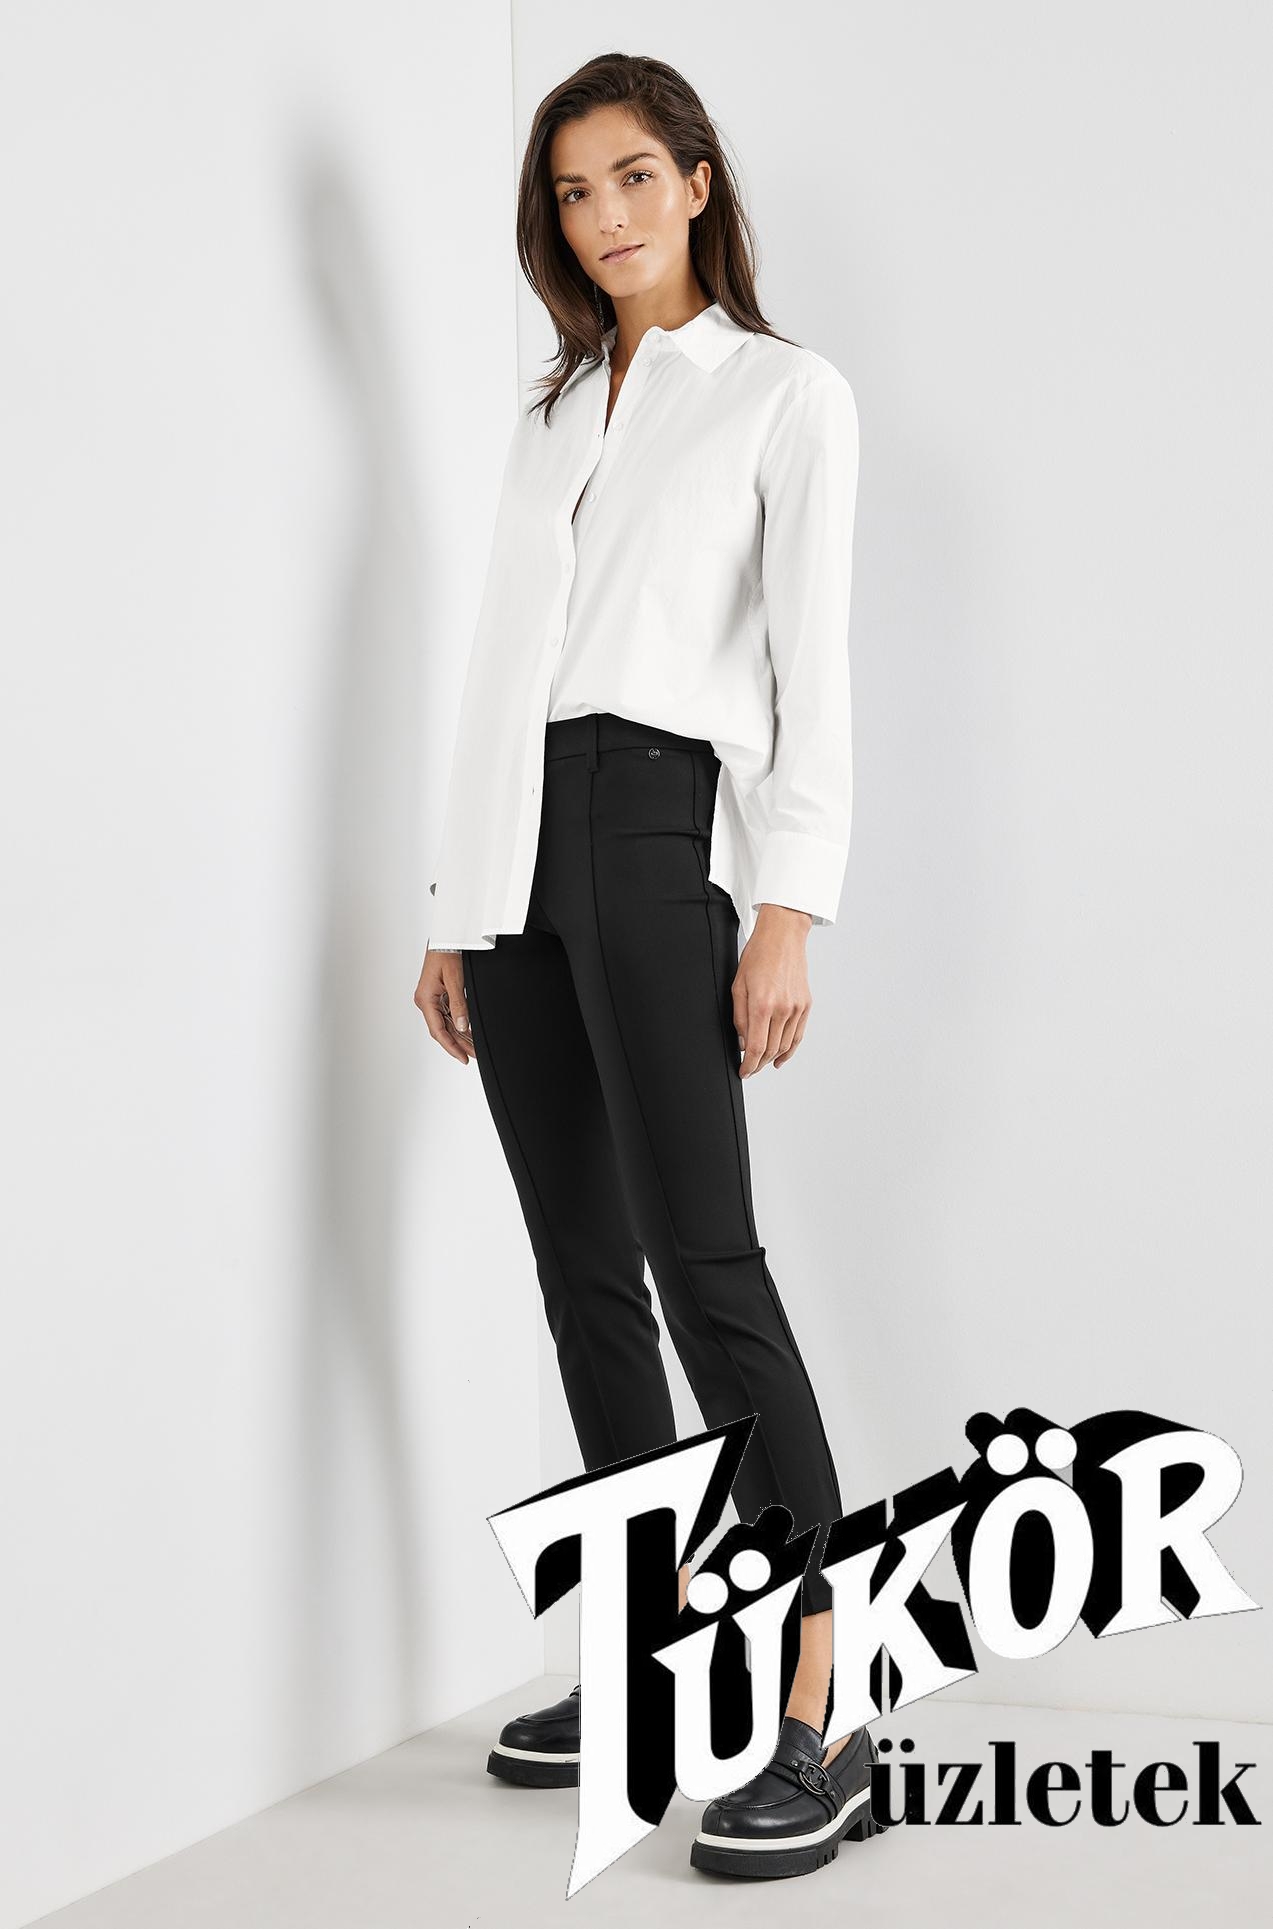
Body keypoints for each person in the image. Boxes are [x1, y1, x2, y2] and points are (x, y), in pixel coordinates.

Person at [414, 52, 881, 1881]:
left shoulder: (781, 394)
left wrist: (789, 907)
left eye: (629, 176)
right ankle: (642, 1662)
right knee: (580, 1276)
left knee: (706, 1268)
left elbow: (810, 669)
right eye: (569, 192)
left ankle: (828, 1697)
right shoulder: (550, 407)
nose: (600, 215)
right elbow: (494, 661)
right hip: (518, 844)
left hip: (651, 821)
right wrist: (453, 898)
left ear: (694, 180)